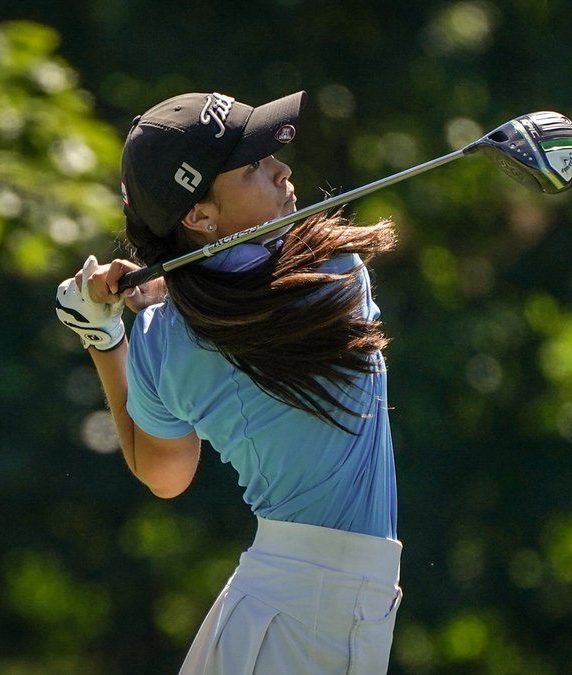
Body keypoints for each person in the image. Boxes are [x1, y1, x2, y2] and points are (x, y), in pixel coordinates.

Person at [54, 90, 402, 674]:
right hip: (311, 616)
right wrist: (160, 299)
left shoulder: (161, 342)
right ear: (200, 216)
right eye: (255, 166)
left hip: (275, 598)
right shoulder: (335, 275)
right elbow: (250, 289)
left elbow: (165, 473)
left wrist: (104, 335)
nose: (282, 168)